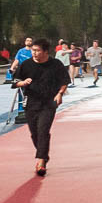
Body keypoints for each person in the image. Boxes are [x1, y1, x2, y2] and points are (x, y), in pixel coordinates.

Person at [12, 37, 70, 177]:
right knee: (35, 133)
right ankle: (43, 154)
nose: (34, 53)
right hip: (31, 102)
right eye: (33, 51)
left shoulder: (56, 64)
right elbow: (15, 82)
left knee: (43, 130)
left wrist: (60, 94)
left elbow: (64, 81)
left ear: (45, 52)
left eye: (37, 51)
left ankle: (41, 161)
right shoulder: (26, 65)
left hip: (49, 103)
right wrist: (23, 83)